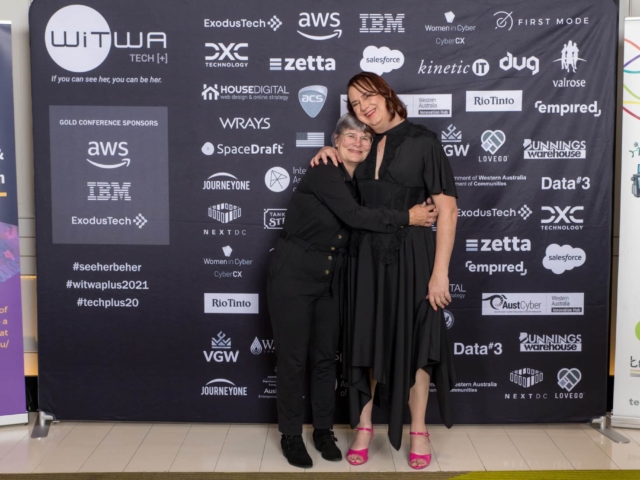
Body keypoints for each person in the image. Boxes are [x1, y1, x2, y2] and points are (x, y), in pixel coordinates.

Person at [267, 113, 437, 469]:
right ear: (336, 139)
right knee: (293, 359)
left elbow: (374, 204)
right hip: (294, 274)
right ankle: (291, 435)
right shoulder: (324, 172)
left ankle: (324, 431)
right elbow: (356, 216)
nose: (358, 143)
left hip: (332, 276)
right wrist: (409, 217)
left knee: (325, 358)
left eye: (365, 138)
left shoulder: (357, 177)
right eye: (350, 136)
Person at [311, 72, 458, 470]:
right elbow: (343, 183)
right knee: (366, 340)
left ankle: (419, 429)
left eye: (367, 97)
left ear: (386, 93)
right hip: (363, 258)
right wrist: (329, 149)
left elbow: (447, 210)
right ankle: (364, 426)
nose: (363, 107)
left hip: (414, 258)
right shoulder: (361, 142)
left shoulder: (424, 141)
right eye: (354, 104)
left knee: (417, 343)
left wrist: (440, 273)